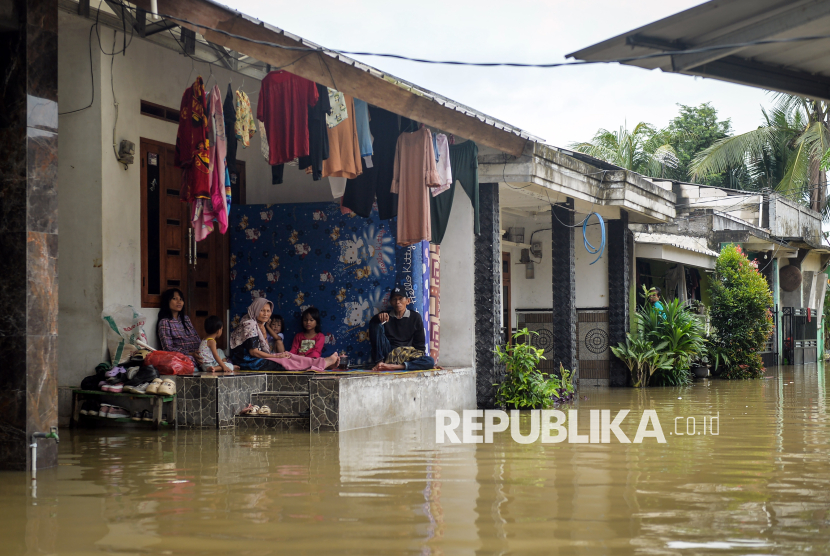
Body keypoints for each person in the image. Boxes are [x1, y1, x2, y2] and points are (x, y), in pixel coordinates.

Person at [230, 298, 340, 371]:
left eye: (268, 311)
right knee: (283, 362)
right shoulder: (249, 324)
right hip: (247, 361)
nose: (266, 314)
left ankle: (321, 363)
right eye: (262, 310)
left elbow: (263, 351)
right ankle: (322, 364)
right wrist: (278, 356)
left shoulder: (257, 324)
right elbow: (254, 352)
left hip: (253, 358)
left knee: (288, 356)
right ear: (255, 310)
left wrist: (264, 329)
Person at [368, 286, 435, 371]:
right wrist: (377, 318)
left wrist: (423, 363)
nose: (397, 302)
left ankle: (394, 367)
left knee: (430, 361)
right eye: (394, 299)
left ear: (408, 301)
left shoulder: (415, 317)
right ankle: (380, 363)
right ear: (391, 302)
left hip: (406, 355)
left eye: (401, 299)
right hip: (389, 354)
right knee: (376, 324)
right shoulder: (385, 316)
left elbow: (420, 347)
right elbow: (374, 330)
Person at [157, 288, 201, 366]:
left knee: (219, 353)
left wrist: (202, 351)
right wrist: (190, 353)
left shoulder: (186, 319)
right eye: (175, 299)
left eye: (181, 299)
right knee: (188, 361)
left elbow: (197, 338)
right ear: (167, 301)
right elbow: (168, 348)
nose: (179, 302)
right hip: (182, 356)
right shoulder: (165, 322)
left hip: (196, 353)